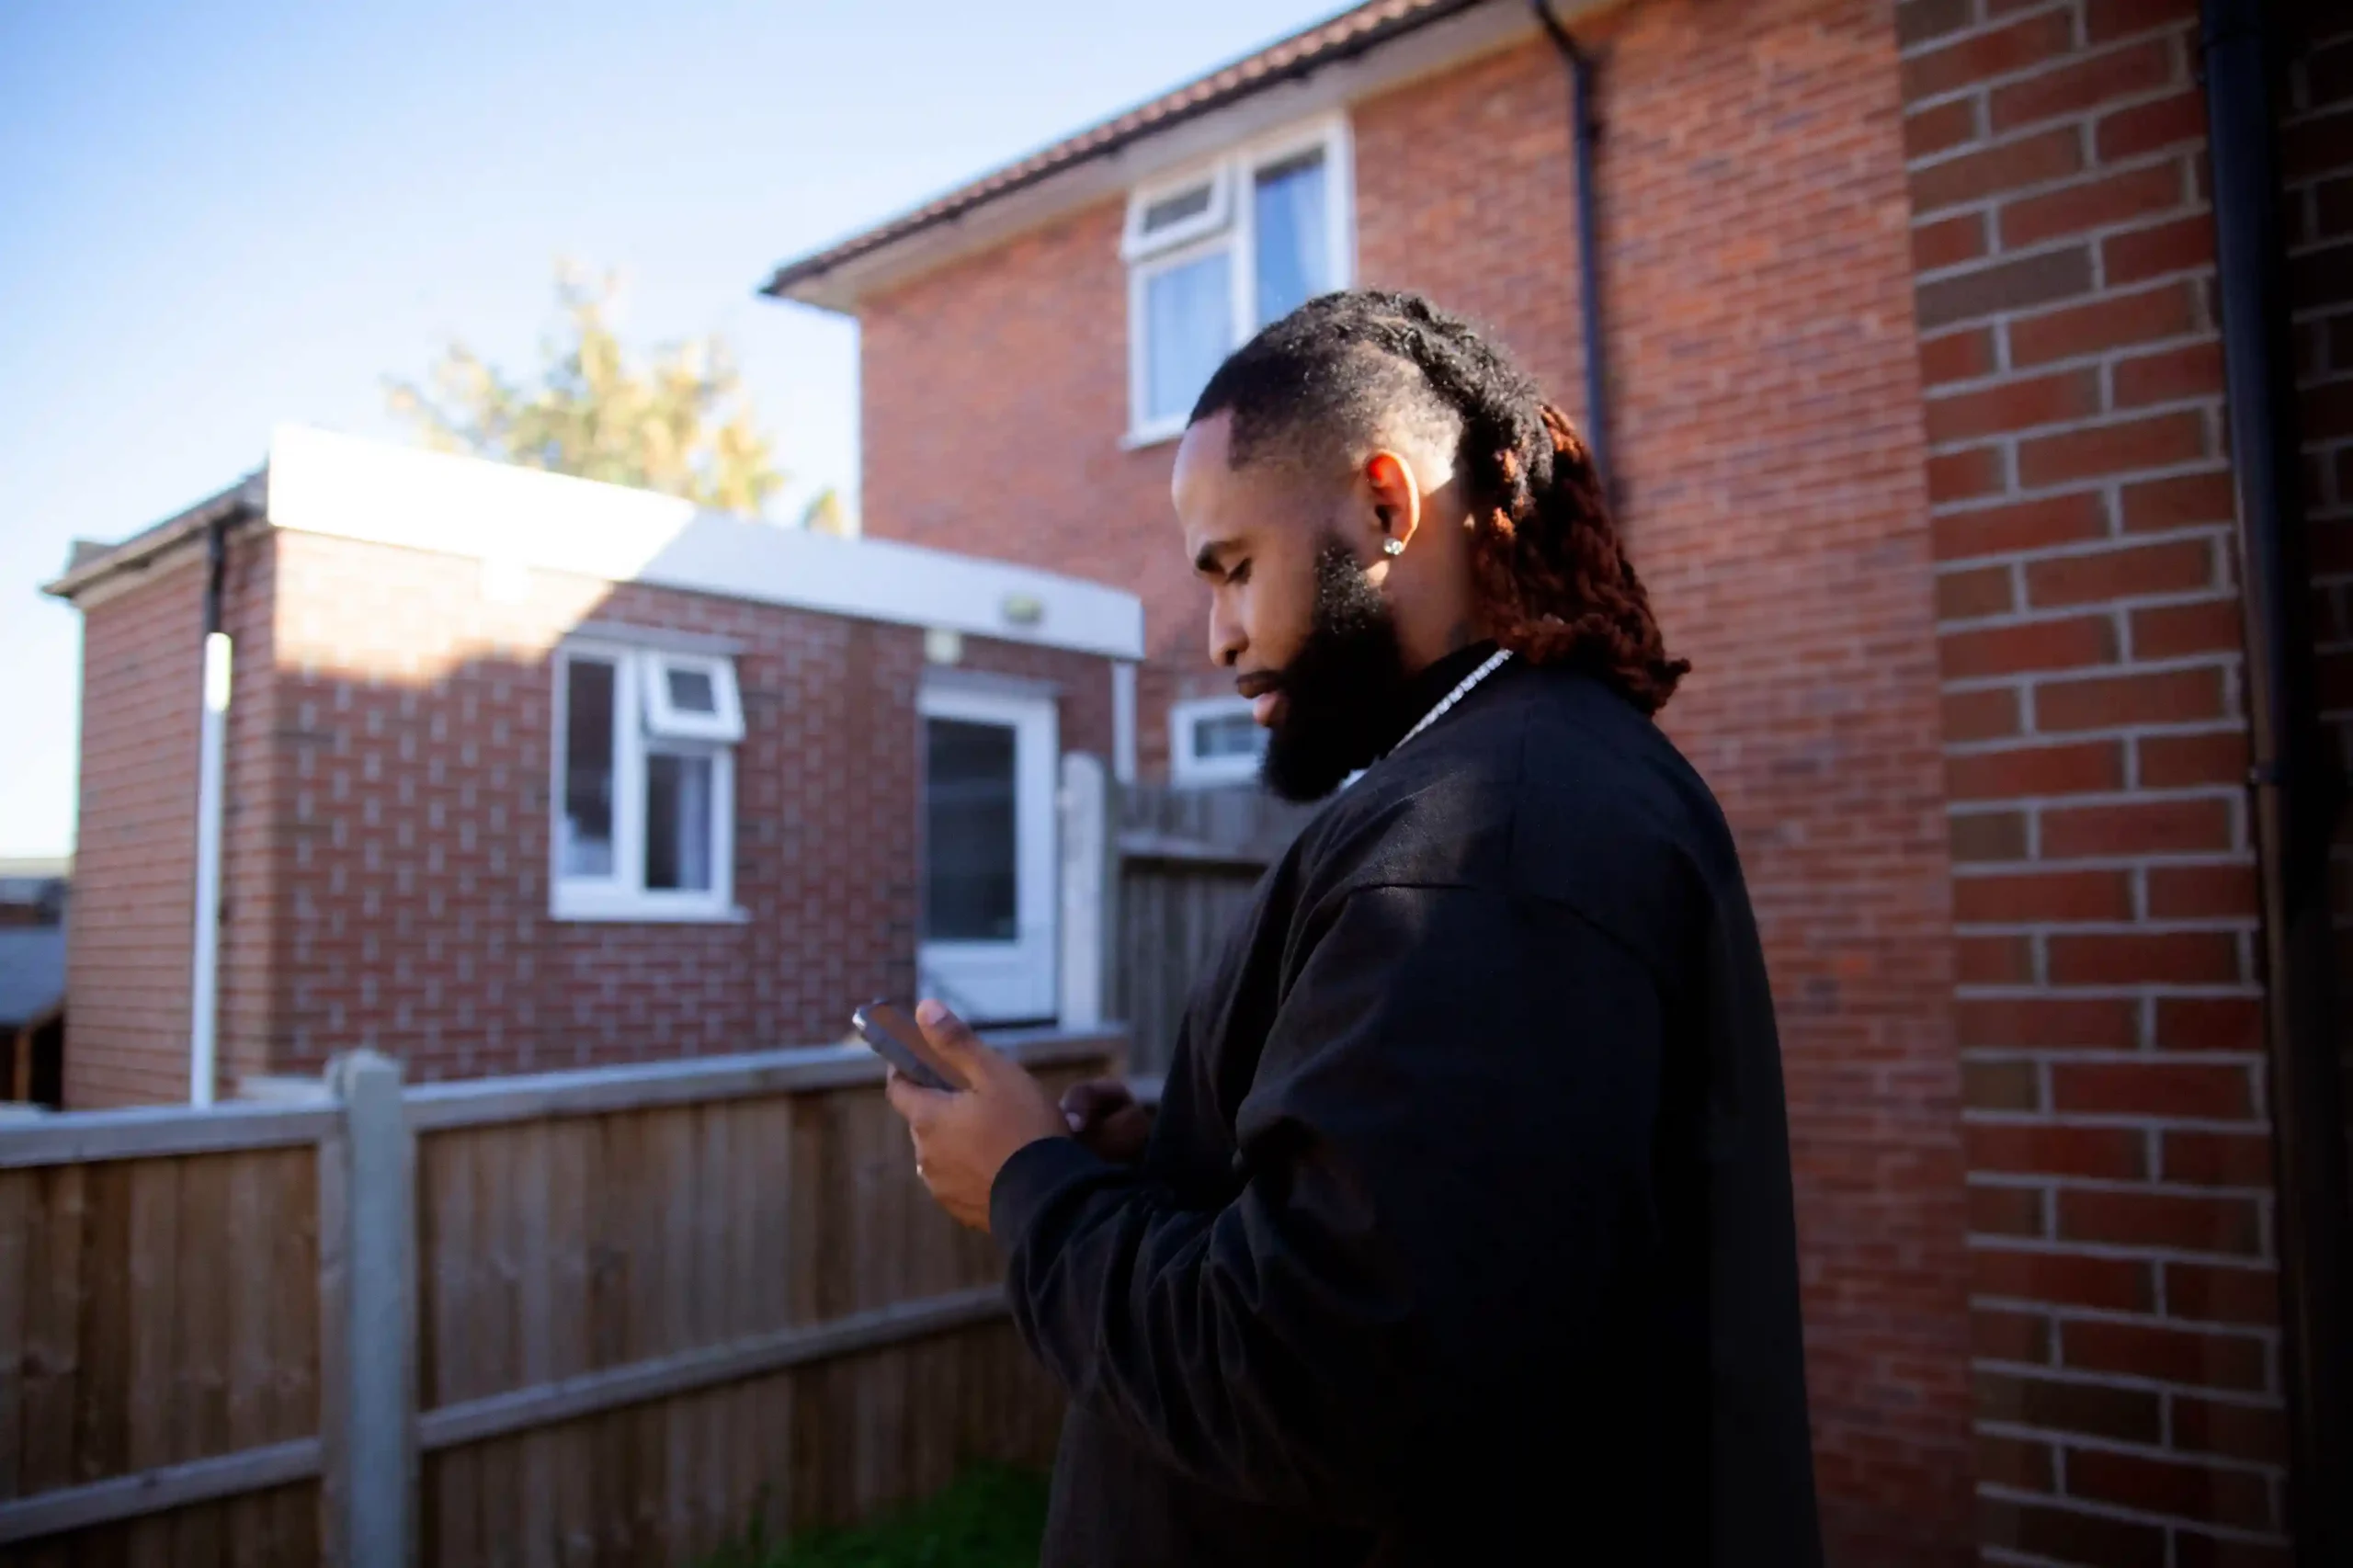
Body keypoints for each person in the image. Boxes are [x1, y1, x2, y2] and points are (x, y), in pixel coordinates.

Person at [884, 290, 1823, 1567]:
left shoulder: (1488, 839)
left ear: (1387, 507)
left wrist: (1024, 1187)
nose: (1217, 635)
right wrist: (1180, 1159)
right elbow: (1457, 1245)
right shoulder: (1502, 794)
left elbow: (1316, 1381)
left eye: (1234, 569)